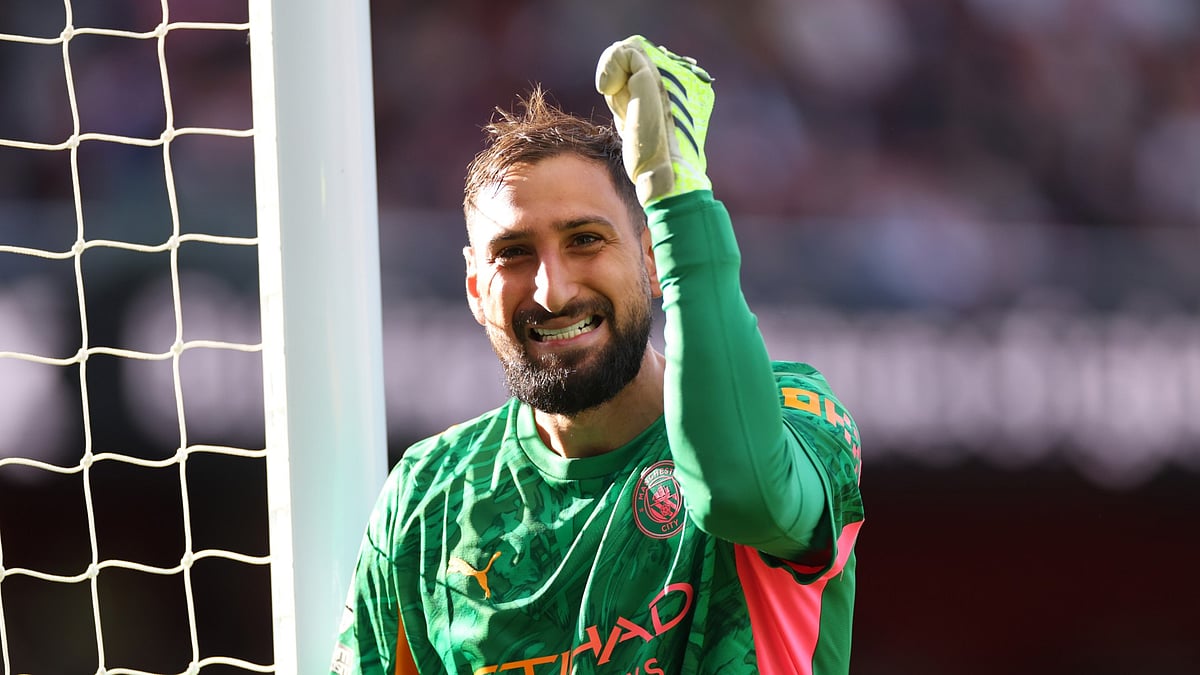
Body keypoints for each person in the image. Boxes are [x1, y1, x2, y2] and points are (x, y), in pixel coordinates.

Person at [330, 35, 864, 675]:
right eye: (513, 254)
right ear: (475, 287)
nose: (551, 289)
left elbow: (738, 492)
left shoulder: (787, 413)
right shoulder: (429, 494)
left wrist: (679, 197)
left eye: (585, 240)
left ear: (650, 255)